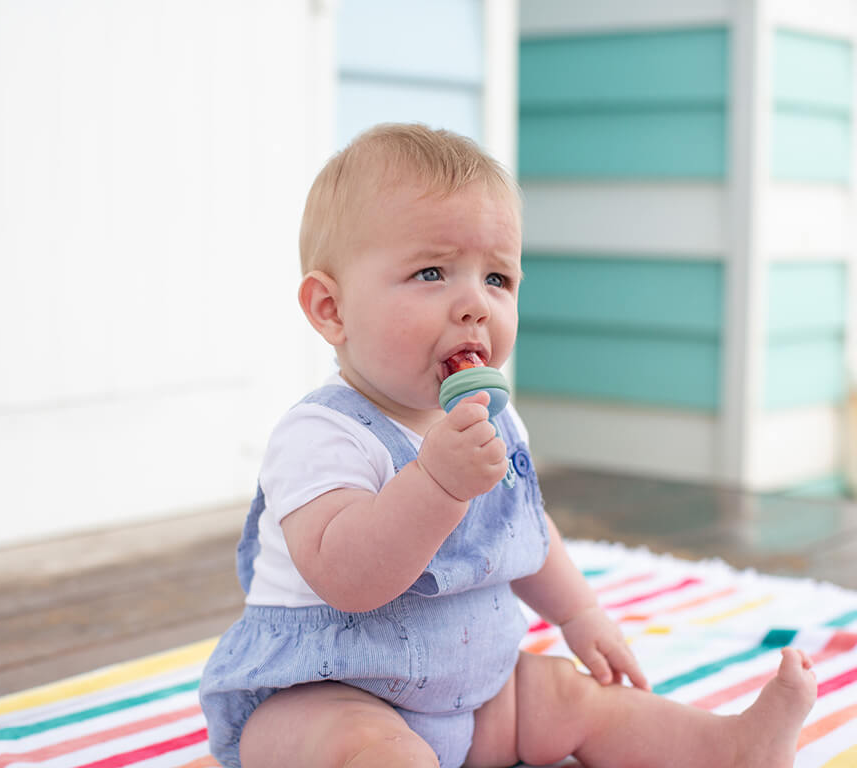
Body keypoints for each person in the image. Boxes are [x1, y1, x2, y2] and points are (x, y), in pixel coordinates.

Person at [200, 123, 816, 768]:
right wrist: (436, 485)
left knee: (574, 697)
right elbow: (348, 578)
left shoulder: (490, 419)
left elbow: (522, 528)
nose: (475, 305)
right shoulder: (322, 434)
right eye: (431, 272)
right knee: (367, 749)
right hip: (329, 692)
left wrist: (580, 615)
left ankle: (726, 748)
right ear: (332, 309)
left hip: (475, 691)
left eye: (498, 279)